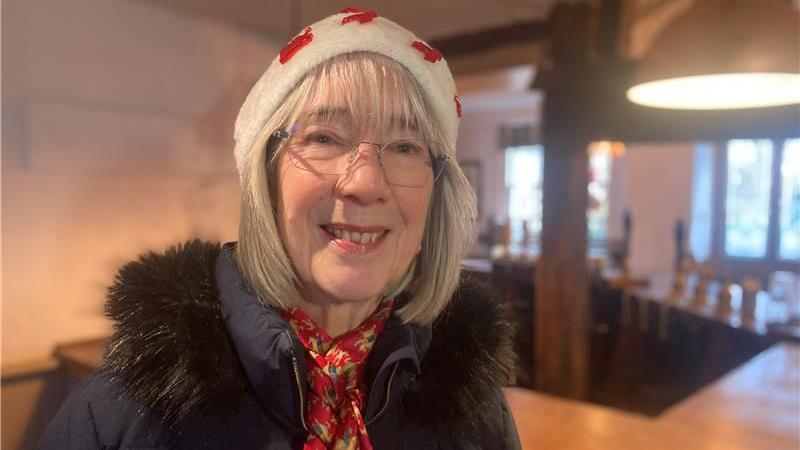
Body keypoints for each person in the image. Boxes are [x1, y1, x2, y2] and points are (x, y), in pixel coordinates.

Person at [37, 8, 520, 450]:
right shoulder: (129, 411)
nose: (367, 182)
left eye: (405, 147)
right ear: (266, 180)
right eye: (325, 137)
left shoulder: (475, 413)